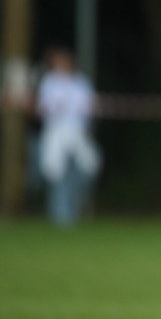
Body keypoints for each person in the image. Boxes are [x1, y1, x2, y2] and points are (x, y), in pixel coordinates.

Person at [35, 45, 102, 226]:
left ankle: (71, 209)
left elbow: (91, 107)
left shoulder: (81, 82)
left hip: (77, 133)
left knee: (90, 166)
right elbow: (43, 109)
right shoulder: (49, 82)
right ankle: (61, 216)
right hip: (56, 132)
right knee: (56, 173)